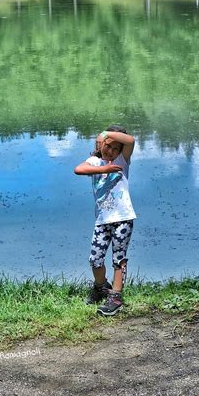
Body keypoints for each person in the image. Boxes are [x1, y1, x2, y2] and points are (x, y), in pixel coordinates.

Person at [74, 125, 137, 316]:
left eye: (116, 148)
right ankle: (101, 287)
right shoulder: (94, 161)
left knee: (119, 258)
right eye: (108, 146)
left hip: (123, 218)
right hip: (102, 220)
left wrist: (107, 134)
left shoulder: (122, 161)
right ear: (100, 144)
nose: (111, 151)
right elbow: (78, 169)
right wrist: (106, 168)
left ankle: (115, 296)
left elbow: (131, 141)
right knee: (95, 259)